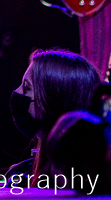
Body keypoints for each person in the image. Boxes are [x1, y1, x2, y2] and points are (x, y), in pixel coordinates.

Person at [9, 48, 101, 179]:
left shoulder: (70, 180)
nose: (17, 92)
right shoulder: (23, 172)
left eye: (27, 88)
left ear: (53, 100)